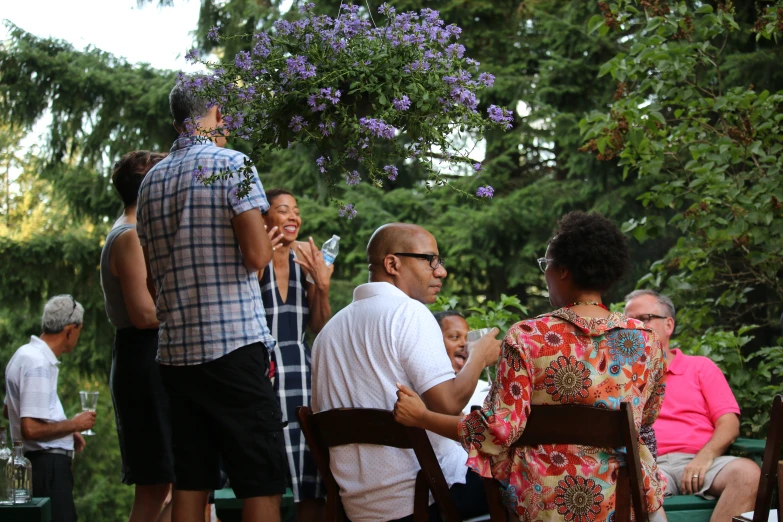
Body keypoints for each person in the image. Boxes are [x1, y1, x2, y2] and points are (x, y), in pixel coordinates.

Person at [394, 211, 669, 521]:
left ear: (563, 270)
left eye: (546, 265)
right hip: (623, 503)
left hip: (543, 507)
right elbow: (645, 418)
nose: (545, 274)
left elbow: (494, 431)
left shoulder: (528, 337)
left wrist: (421, 417)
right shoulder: (646, 340)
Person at [135, 82, 287, 522]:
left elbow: (150, 277)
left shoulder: (152, 181)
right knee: (261, 481)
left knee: (191, 482)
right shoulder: (232, 164)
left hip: (176, 355)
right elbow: (257, 257)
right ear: (218, 114)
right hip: (233, 346)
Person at [311, 223, 501, 522]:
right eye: (431, 260)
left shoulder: (328, 332)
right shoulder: (407, 313)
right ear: (392, 263)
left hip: (358, 509)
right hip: (428, 496)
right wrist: (478, 356)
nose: (441, 271)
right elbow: (449, 404)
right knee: (524, 474)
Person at [625, 289, 760, 521]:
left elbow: (729, 423)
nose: (635, 327)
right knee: (625, 486)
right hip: (650, 466)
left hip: (705, 461)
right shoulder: (621, 376)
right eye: (629, 322)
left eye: (644, 319)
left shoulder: (701, 368)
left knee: (748, 474)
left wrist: (705, 457)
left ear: (669, 325)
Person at [100, 150, 174, 522]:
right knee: (155, 484)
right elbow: (144, 315)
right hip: (142, 359)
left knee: (172, 480)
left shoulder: (134, 231)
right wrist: (191, 311)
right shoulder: (128, 237)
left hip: (147, 357)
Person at [259, 189, 333, 521]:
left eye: (296, 212)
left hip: (302, 372)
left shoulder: (305, 257)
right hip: (260, 370)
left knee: (310, 476)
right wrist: (259, 258)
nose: (293, 217)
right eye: (283, 210)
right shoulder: (250, 255)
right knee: (264, 477)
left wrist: (322, 285)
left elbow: (320, 326)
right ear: (263, 218)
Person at [3, 295, 96, 522]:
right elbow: (31, 430)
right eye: (80, 330)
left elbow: (9, 410)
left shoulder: (25, 354)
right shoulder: (37, 363)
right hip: (48, 468)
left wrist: (65, 430)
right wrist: (75, 423)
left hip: (40, 465)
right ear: (70, 329)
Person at [432, 311, 490, 414]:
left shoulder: (486, 392)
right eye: (455, 337)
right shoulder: (426, 391)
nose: (465, 344)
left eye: (468, 339)